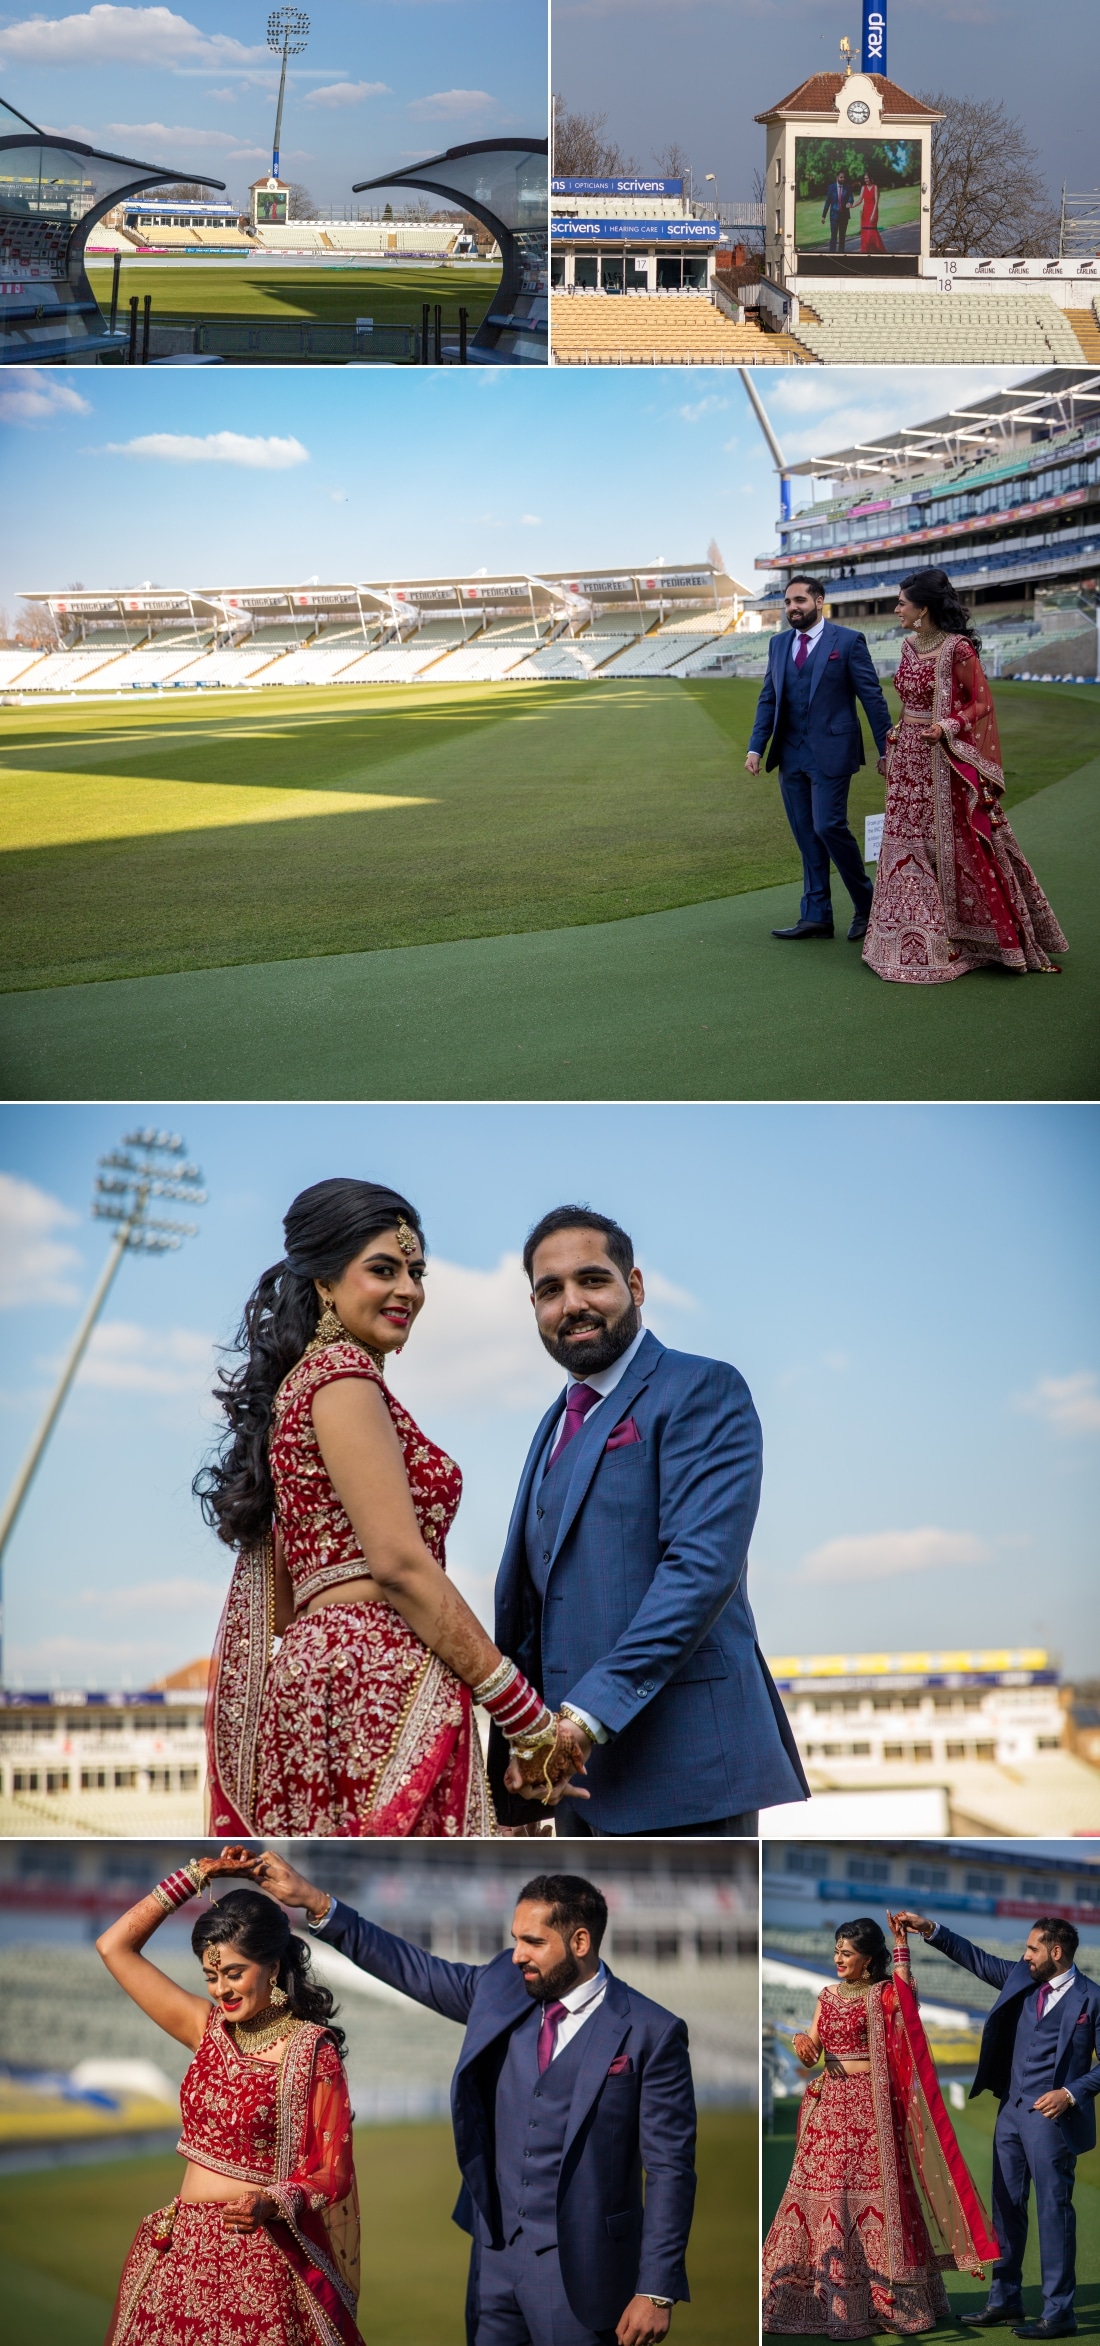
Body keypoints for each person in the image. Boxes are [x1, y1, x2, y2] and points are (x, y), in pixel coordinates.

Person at [198, 1177, 585, 1837]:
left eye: (416, 1270)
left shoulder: (305, 1387)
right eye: (383, 1269)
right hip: (375, 1678)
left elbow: (289, 1602)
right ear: (325, 1281)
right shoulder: (343, 1379)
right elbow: (401, 1566)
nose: (408, 1288)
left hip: (321, 1680)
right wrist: (525, 1716)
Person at [249, 1849, 697, 2346]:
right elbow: (411, 1968)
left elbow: (671, 2168)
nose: (518, 1954)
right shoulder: (502, 1985)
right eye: (515, 1940)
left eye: (533, 1941)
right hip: (494, 2261)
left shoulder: (652, 2031)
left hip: (586, 2272)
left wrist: (656, 2289)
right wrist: (316, 1903)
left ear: (581, 1941)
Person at [487, 1205, 809, 1836]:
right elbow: (534, 1607)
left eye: (592, 1280)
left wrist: (584, 1719)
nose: (572, 1303)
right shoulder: (552, 1424)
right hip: (572, 1783)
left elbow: (699, 1571)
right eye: (550, 1291)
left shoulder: (702, 1388)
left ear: (634, 1287)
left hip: (685, 1771)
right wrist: (523, 1756)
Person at [96, 1858, 365, 2346]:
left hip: (260, 2256)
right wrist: (197, 1875)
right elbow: (113, 1946)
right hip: (179, 2254)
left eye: (235, 1973)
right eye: (211, 1976)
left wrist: (272, 2200)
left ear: (274, 1966)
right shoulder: (205, 2029)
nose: (222, 1989)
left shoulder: (311, 2050)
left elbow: (334, 2172)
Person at [762, 1915, 999, 2337]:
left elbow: (908, 2005)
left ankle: (883, 2300)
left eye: (847, 1953)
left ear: (868, 1960)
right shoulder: (826, 1995)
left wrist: (902, 1946)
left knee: (868, 2199)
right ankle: (819, 2297)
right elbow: (813, 2050)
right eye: (836, 1950)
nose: (838, 1958)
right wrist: (803, 2041)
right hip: (829, 2106)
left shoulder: (884, 1994)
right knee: (823, 2196)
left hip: (869, 2109)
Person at [889, 1908, 1100, 2339]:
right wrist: (930, 1928)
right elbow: (975, 1957)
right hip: (1010, 2112)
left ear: (1055, 1952)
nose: (1024, 1956)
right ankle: (1005, 2301)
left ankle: (1059, 2312)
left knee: (1054, 2212)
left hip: (1051, 2117)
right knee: (1005, 2207)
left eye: (1031, 1948)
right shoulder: (1022, 1977)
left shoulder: (1092, 1998)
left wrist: (1070, 2093)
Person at [863, 569, 1068, 981]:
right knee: (905, 844)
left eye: (902, 602)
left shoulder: (957, 649)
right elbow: (907, 704)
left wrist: (948, 727)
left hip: (943, 764)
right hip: (907, 763)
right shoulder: (907, 648)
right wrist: (895, 739)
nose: (896, 609)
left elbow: (982, 703)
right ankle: (904, 939)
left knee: (954, 844)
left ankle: (969, 939)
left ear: (923, 608)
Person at [745, 576, 891, 942]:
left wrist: (889, 750)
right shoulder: (778, 644)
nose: (792, 607)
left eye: (799, 600)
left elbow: (872, 699)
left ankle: (866, 904)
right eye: (787, 602)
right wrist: (755, 747)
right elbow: (769, 699)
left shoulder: (847, 641)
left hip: (833, 751)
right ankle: (816, 916)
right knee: (806, 835)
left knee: (828, 826)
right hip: (790, 754)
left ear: (819, 601)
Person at [821, 168, 852, 251]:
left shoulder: (847, 187)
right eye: (841, 177)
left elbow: (850, 197)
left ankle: (841, 255)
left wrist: (849, 202)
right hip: (834, 217)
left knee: (842, 237)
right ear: (837, 177)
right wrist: (823, 216)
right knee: (833, 237)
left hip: (844, 216)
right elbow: (827, 202)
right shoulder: (831, 188)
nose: (843, 179)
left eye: (843, 177)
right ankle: (832, 254)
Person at [860, 173, 886, 252]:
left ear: (870, 178)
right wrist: (852, 205)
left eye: (867, 178)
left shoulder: (875, 187)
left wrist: (873, 215)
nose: (866, 180)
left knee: (872, 231)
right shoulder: (863, 187)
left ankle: (878, 250)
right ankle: (866, 250)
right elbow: (860, 200)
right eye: (865, 179)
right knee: (865, 231)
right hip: (865, 212)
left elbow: (876, 202)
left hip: (873, 210)